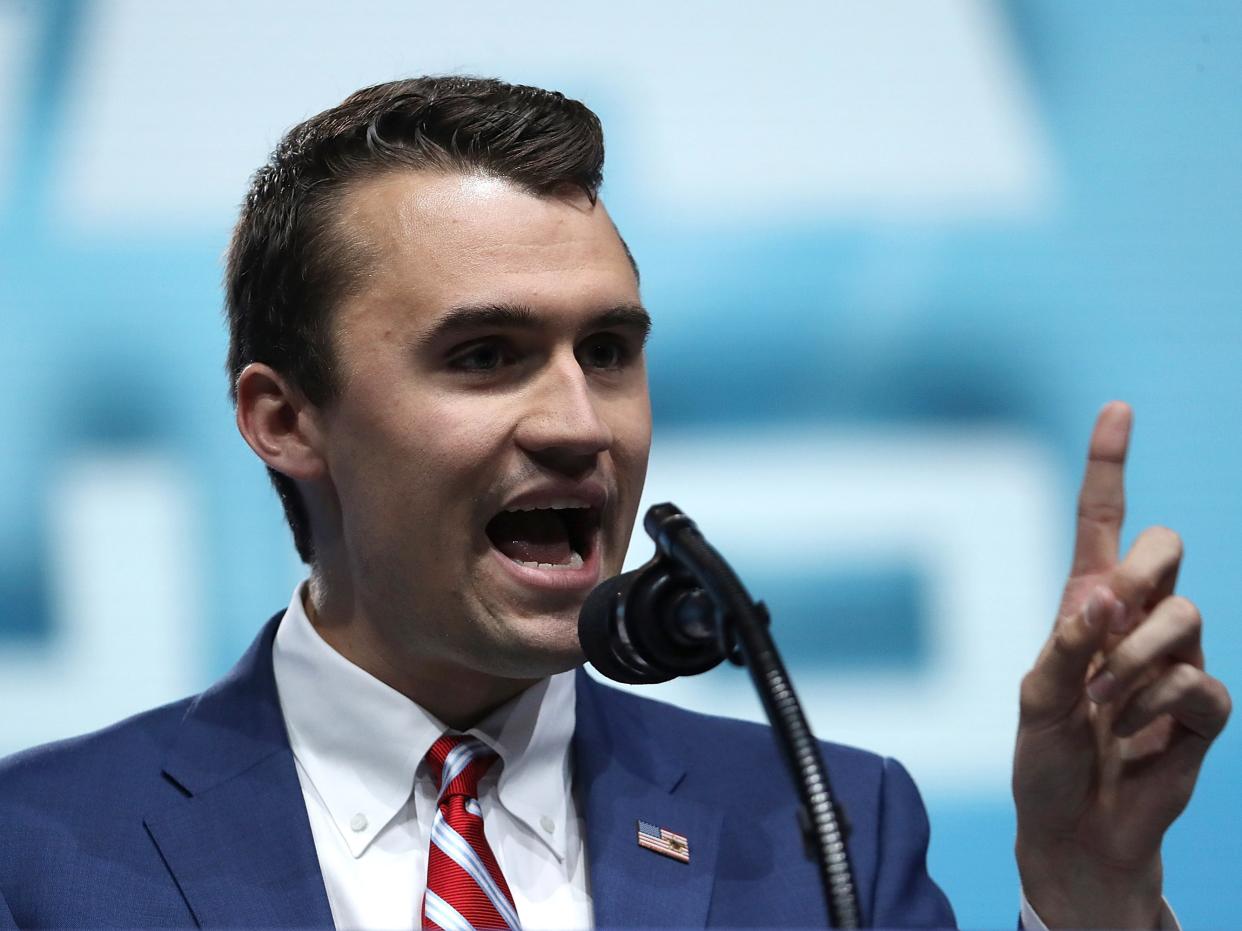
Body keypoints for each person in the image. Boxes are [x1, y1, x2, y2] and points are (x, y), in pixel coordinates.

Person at [0, 76, 1229, 929]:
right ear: (284, 419)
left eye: (609, 350)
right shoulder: (39, 850)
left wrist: (1089, 891)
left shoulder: (828, 828)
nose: (581, 422)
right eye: (483, 355)